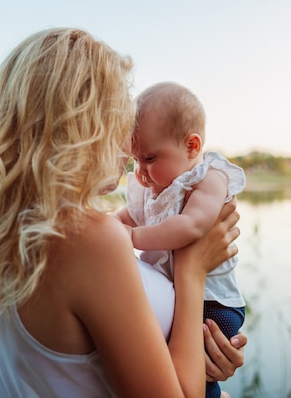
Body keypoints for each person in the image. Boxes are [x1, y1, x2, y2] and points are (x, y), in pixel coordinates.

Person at [0, 27, 247, 398]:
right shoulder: (90, 239)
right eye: (120, 119)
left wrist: (202, 358)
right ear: (86, 126)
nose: (126, 142)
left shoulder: (8, 234)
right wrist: (192, 269)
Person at [115, 81, 247, 398]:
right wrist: (110, 227)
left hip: (214, 304)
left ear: (191, 146)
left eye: (149, 157)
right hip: (185, 294)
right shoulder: (151, 190)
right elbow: (126, 216)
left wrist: (131, 237)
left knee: (202, 371)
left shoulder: (206, 179)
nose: (140, 172)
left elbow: (191, 226)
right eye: (135, 161)